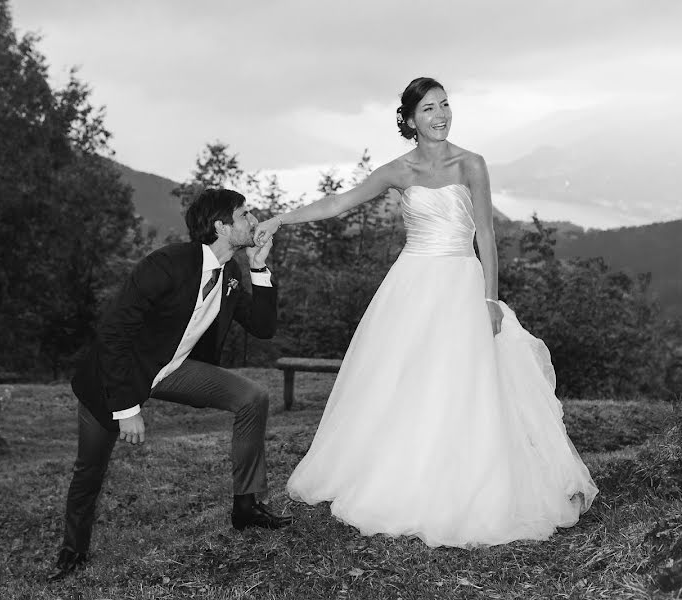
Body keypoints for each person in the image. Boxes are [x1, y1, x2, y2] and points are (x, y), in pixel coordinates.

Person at [253, 77, 598, 548]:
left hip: (462, 281)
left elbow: (487, 238)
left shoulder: (471, 163)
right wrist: (280, 218)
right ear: (411, 119)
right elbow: (339, 202)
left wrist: (492, 300)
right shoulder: (397, 171)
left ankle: (467, 475)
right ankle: (402, 471)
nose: (441, 115)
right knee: (404, 377)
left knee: (465, 381)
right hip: (411, 284)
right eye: (430, 108)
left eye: (445, 105)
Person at [49, 188, 292, 582]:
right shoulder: (166, 264)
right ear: (221, 226)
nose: (254, 220)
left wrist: (259, 268)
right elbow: (113, 335)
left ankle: (245, 507)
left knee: (253, 398)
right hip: (115, 377)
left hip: (175, 368)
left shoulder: (230, 272)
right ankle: (72, 551)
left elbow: (263, 328)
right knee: (89, 469)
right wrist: (126, 408)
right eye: (245, 214)